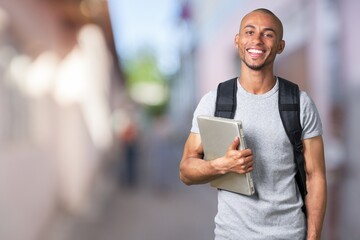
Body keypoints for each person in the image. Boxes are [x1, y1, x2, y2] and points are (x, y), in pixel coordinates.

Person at [179, 8, 326, 240]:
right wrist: (221, 165)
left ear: (280, 46)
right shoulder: (215, 101)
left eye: (268, 34)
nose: (256, 40)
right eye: (249, 32)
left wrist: (313, 236)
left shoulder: (300, 103)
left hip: (289, 235)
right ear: (238, 41)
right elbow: (186, 170)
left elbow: (315, 175)